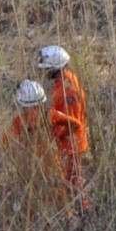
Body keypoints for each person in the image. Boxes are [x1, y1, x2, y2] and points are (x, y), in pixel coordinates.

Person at [36, 43, 91, 198]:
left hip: (71, 144)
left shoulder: (67, 90)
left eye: (45, 68)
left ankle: (83, 212)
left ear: (54, 67)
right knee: (72, 182)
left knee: (74, 184)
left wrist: (52, 136)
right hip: (70, 143)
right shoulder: (67, 80)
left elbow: (72, 123)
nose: (43, 71)